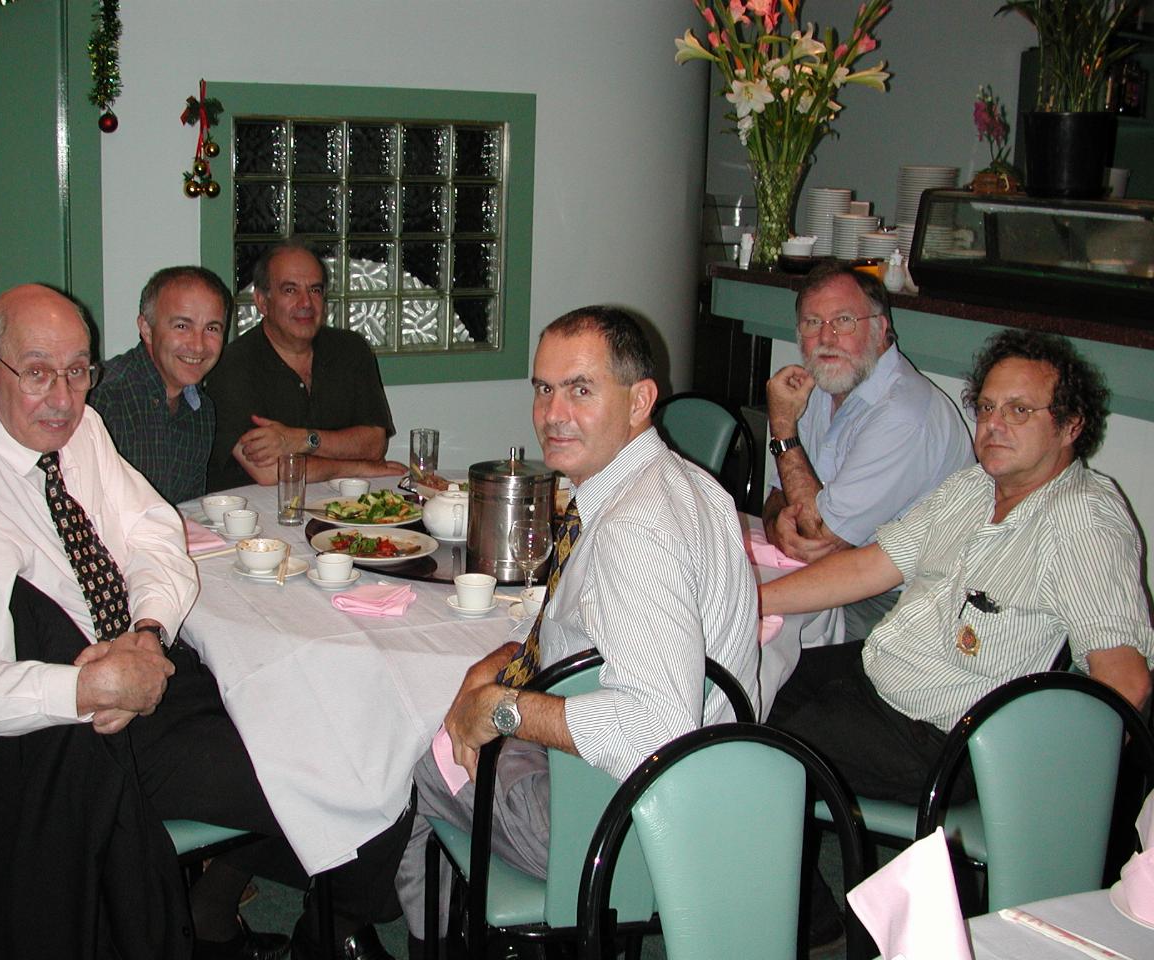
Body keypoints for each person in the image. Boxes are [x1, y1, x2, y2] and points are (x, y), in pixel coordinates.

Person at [0, 284, 406, 960]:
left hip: (149, 663)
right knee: (323, 770)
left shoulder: (79, 431)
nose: (62, 395)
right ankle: (339, 920)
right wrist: (94, 688)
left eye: (78, 370)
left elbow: (155, 534)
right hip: (85, 739)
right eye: (38, 371)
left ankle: (238, 907)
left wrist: (145, 634)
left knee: (333, 715)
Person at [762, 328, 1154, 948]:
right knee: (742, 687)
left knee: (744, 747)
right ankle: (809, 902)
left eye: (1020, 410)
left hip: (948, 740)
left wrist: (1059, 811)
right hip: (879, 680)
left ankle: (805, 921)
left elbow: (1124, 682)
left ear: (1072, 424)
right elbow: (870, 565)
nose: (995, 424)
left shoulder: (1082, 521)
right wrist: (747, 601)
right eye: (987, 407)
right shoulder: (973, 489)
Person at [392, 306, 762, 954]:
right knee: (459, 715)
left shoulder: (632, 529)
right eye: (543, 388)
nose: (553, 413)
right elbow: (594, 640)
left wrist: (505, 710)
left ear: (641, 399)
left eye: (581, 389)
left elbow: (653, 730)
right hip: (713, 792)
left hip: (631, 824)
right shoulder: (684, 485)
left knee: (423, 755)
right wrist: (504, 665)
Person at [763, 262, 973, 639]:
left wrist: (782, 429)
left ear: (880, 331)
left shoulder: (905, 415)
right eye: (812, 323)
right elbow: (777, 497)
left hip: (908, 606)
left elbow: (819, 533)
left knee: (755, 635)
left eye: (843, 320)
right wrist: (779, 525)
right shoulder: (816, 387)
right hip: (832, 576)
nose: (826, 338)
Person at [204, 240, 402, 491]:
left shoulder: (351, 350)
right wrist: (357, 467)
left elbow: (374, 445)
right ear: (262, 302)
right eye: (290, 290)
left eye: (315, 290)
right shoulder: (232, 365)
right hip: (256, 514)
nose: (306, 302)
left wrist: (298, 440)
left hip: (341, 506)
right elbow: (269, 472)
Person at [90, 265, 231, 505]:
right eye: (182, 326)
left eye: (211, 328)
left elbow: (188, 510)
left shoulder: (202, 411)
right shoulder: (105, 399)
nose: (198, 346)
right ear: (146, 329)